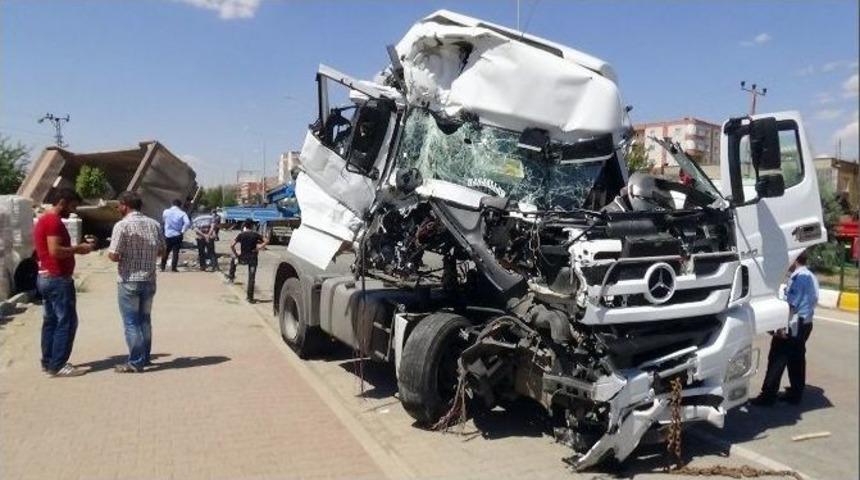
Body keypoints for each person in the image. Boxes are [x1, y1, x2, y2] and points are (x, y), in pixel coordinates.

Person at [33, 188, 93, 377]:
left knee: (51, 321)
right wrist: (78, 249)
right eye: (72, 206)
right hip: (57, 278)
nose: (73, 211)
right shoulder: (53, 221)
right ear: (62, 202)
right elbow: (55, 251)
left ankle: (49, 362)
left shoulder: (45, 219)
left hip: (46, 277)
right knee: (66, 321)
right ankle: (58, 365)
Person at [751, 252, 819, 406]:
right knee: (796, 358)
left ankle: (768, 395)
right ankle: (796, 392)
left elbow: (790, 306)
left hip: (794, 323)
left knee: (777, 357)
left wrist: (779, 326)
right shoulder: (810, 276)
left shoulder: (800, 278)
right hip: (805, 323)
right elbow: (813, 300)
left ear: (794, 260)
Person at [107, 192, 165, 373]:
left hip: (129, 280)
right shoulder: (154, 224)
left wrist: (125, 256)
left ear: (125, 205)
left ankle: (135, 362)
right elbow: (162, 251)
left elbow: (113, 255)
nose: (118, 208)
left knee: (131, 322)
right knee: (145, 320)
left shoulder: (122, 225)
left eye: (119, 205)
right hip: (149, 279)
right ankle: (145, 357)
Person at [227, 220, 267, 303]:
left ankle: (231, 277)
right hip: (253, 258)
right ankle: (250, 298)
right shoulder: (256, 235)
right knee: (251, 278)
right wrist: (259, 247)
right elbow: (266, 240)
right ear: (252, 226)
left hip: (243, 258)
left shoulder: (241, 235)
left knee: (233, 259)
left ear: (245, 226)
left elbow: (232, 245)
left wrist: (236, 254)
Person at [161, 199, 190, 272]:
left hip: (167, 234)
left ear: (172, 204)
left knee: (166, 251)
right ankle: (173, 268)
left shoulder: (166, 211)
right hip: (177, 234)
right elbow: (187, 223)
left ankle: (162, 267)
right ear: (180, 205)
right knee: (175, 252)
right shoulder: (182, 213)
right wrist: (182, 231)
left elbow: (163, 220)